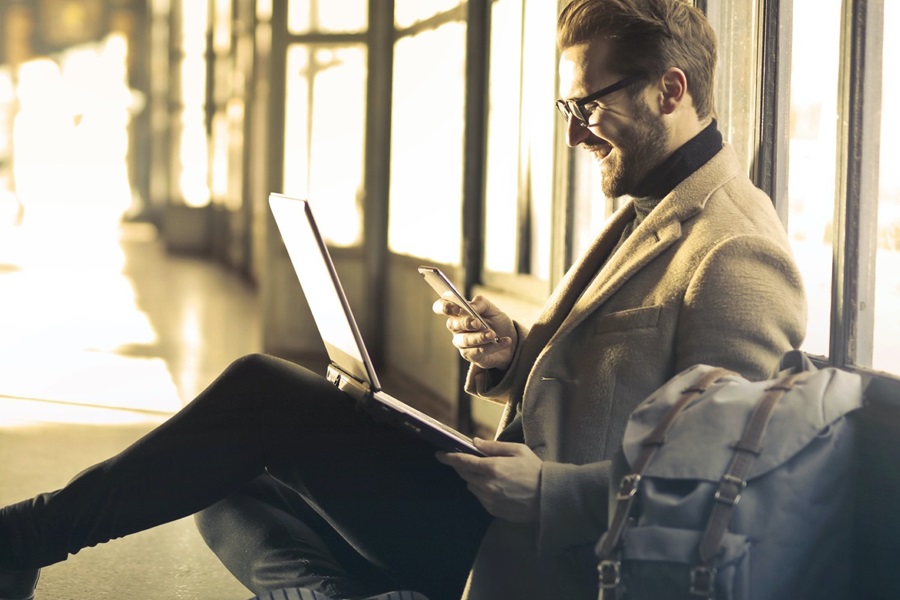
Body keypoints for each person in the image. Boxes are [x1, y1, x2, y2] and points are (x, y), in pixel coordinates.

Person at [0, 1, 806, 599]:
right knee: (224, 480)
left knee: (257, 395)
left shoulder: (737, 251)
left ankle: (23, 536)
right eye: (569, 108)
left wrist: (551, 491)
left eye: (589, 106)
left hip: (550, 549)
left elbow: (727, 491)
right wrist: (517, 352)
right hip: (497, 505)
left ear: (671, 89)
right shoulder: (653, 207)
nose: (573, 134)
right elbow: (622, 380)